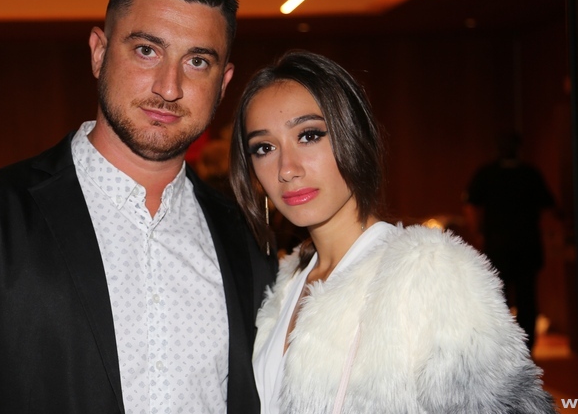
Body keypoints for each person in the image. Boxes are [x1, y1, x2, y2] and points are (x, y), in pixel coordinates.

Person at [0, 0, 275, 414]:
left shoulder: (245, 236)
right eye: (146, 50)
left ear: (223, 82)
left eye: (197, 62)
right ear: (99, 53)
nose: (168, 87)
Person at [229, 51, 556, 413]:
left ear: (354, 135)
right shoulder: (284, 283)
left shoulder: (430, 272)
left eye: (309, 135)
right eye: (264, 148)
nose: (286, 169)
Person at [464, 131, 557, 351]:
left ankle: (509, 348)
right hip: (523, 246)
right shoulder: (528, 174)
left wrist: (478, 232)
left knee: (503, 299)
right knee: (522, 300)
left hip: (503, 246)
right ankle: (523, 348)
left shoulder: (491, 174)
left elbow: (470, 206)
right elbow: (549, 208)